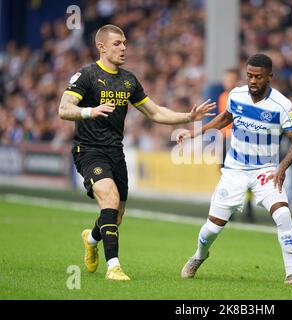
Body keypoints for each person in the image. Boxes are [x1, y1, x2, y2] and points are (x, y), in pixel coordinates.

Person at [58, 24, 215, 281]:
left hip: (115, 152)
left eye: (125, 43)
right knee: (108, 198)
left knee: (115, 217)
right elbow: (64, 109)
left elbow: (154, 112)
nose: (123, 48)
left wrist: (188, 116)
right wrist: (90, 111)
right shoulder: (85, 76)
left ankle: (91, 237)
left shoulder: (129, 80)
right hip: (88, 149)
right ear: (102, 46)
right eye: (118, 43)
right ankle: (114, 267)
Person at [177, 53, 292, 286]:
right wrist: (195, 131)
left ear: (269, 76)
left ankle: (291, 274)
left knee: (283, 215)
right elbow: (225, 118)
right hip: (235, 170)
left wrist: (281, 166)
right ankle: (199, 256)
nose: (252, 80)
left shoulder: (282, 105)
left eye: (258, 77)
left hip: (266, 171)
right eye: (249, 75)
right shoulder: (236, 95)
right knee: (212, 229)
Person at [217, 68, 255, 222]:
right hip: (225, 140)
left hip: (240, 140)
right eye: (226, 79)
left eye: (230, 79)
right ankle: (231, 207)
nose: (227, 82)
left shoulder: (243, 97)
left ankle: (248, 206)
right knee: (228, 175)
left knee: (245, 174)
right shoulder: (223, 97)